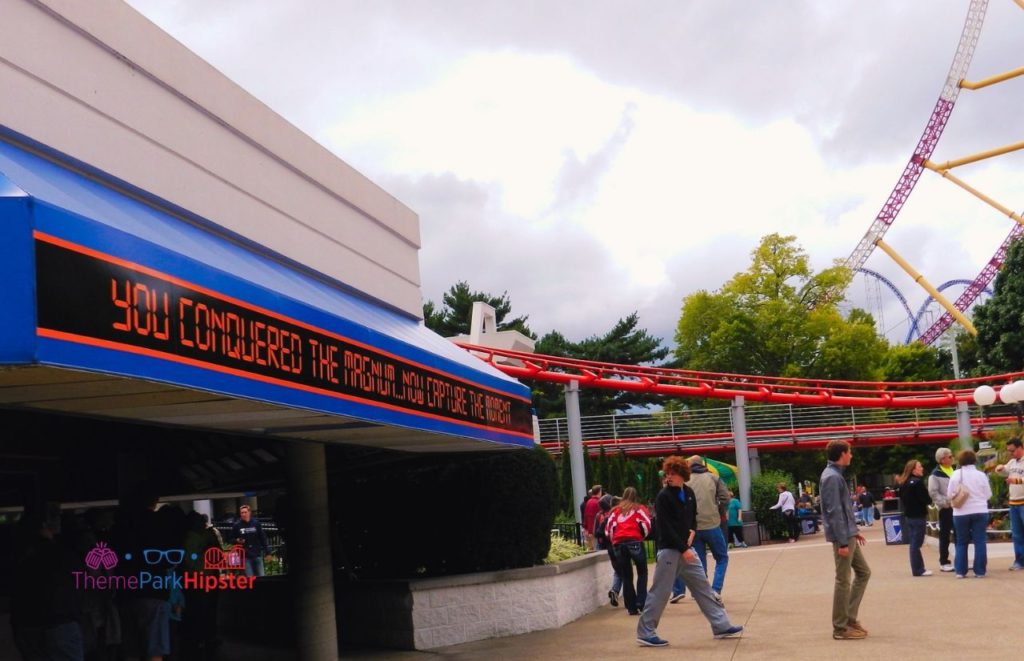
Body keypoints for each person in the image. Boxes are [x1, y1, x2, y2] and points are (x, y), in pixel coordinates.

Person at [635, 456, 743, 647]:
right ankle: (645, 632)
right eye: (667, 474)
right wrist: (684, 549)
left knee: (703, 587)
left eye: (673, 474)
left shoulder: (689, 492)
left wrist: (692, 530)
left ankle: (721, 625)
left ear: (683, 475)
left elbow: (693, 516)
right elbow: (665, 527)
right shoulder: (663, 497)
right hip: (670, 550)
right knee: (661, 591)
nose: (669, 477)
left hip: (685, 548)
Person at [820, 440, 870, 641]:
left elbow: (841, 509)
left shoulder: (833, 475)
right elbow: (834, 511)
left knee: (863, 573)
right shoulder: (832, 477)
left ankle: (848, 618)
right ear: (842, 454)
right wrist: (842, 542)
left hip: (847, 534)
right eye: (849, 452)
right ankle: (840, 627)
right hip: (843, 537)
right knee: (843, 579)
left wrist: (853, 530)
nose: (851, 455)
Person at [682, 456, 729, 600]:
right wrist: (718, 512)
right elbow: (725, 498)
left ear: (689, 465)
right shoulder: (714, 478)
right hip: (712, 524)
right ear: (702, 464)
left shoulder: (685, 481)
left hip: (693, 528)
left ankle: (702, 591)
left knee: (700, 562)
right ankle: (716, 589)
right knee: (722, 557)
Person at [607, 487, 652, 616]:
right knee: (642, 572)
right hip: (635, 542)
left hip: (619, 544)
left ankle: (631, 607)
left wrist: (614, 541)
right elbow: (647, 524)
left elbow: (609, 528)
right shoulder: (639, 509)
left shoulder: (615, 511)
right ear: (635, 496)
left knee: (627, 576)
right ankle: (641, 603)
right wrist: (642, 536)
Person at [948, 449, 992, 578]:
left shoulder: (956, 475)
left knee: (961, 542)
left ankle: (960, 571)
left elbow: (949, 494)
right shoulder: (981, 475)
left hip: (961, 512)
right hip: (980, 510)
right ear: (974, 460)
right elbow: (989, 494)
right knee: (980, 541)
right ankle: (980, 571)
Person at [896, 459, 933, 576]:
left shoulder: (903, 483)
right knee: (916, 543)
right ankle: (918, 569)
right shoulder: (917, 483)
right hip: (918, 515)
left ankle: (918, 568)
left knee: (914, 542)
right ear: (914, 469)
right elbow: (926, 499)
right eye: (919, 467)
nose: (922, 468)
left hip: (909, 515)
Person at [994, 437, 1024, 571]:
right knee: (1017, 534)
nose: (1010, 454)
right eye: (1009, 451)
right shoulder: (1012, 462)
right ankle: (1019, 560)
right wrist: (999, 468)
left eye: (1012, 451)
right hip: (1014, 502)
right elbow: (1004, 471)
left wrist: (1016, 481)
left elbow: (1017, 479)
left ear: (1020, 448)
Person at [927, 447, 956, 572]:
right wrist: (945, 503)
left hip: (958, 506)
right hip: (946, 508)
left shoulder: (954, 470)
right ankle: (944, 561)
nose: (952, 458)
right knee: (945, 534)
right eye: (949, 456)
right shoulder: (935, 474)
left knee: (960, 533)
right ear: (942, 459)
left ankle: (960, 559)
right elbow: (933, 493)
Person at [593, 494, 622, 607]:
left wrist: (606, 537)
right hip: (618, 546)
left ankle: (615, 591)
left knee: (618, 571)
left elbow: (597, 532)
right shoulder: (614, 516)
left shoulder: (601, 516)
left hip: (610, 548)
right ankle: (616, 591)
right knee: (624, 572)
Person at [229, 504, 270, 577]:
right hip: (245, 556)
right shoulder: (237, 525)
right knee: (250, 578)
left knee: (261, 576)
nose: (244, 514)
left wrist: (267, 552)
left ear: (249, 512)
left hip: (257, 554)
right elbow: (230, 539)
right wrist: (237, 540)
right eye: (242, 512)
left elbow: (263, 538)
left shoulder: (256, 523)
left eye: (245, 512)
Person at [582, 485, 603, 550]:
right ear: (599, 492)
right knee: (598, 550)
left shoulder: (588, 502)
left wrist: (585, 527)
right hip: (596, 531)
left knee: (591, 549)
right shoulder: (599, 502)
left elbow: (585, 516)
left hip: (589, 530)